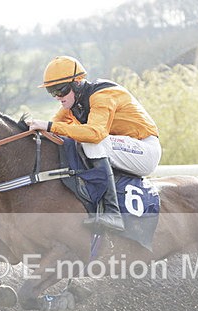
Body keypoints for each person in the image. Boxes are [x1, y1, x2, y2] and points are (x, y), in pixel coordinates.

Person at [26, 56, 162, 232]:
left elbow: (95, 133)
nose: (57, 97)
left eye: (61, 90)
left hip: (145, 150)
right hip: (121, 150)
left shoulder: (103, 95)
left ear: (78, 83)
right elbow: (52, 133)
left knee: (91, 141)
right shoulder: (72, 104)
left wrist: (50, 126)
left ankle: (113, 213)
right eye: (51, 92)